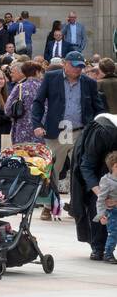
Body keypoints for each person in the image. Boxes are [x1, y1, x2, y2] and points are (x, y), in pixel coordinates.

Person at [32, 50, 104, 198]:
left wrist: (95, 127)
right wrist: (37, 124)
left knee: (79, 168)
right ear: (64, 64)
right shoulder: (51, 78)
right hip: (57, 130)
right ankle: (48, 205)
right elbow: (38, 102)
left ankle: (76, 204)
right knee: (52, 168)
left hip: (80, 131)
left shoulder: (89, 82)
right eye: (74, 66)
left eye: (80, 66)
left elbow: (98, 107)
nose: (78, 69)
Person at [69, 116, 117, 262]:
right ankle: (98, 247)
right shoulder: (102, 132)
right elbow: (86, 166)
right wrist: (103, 195)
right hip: (90, 159)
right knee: (97, 199)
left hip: (112, 162)